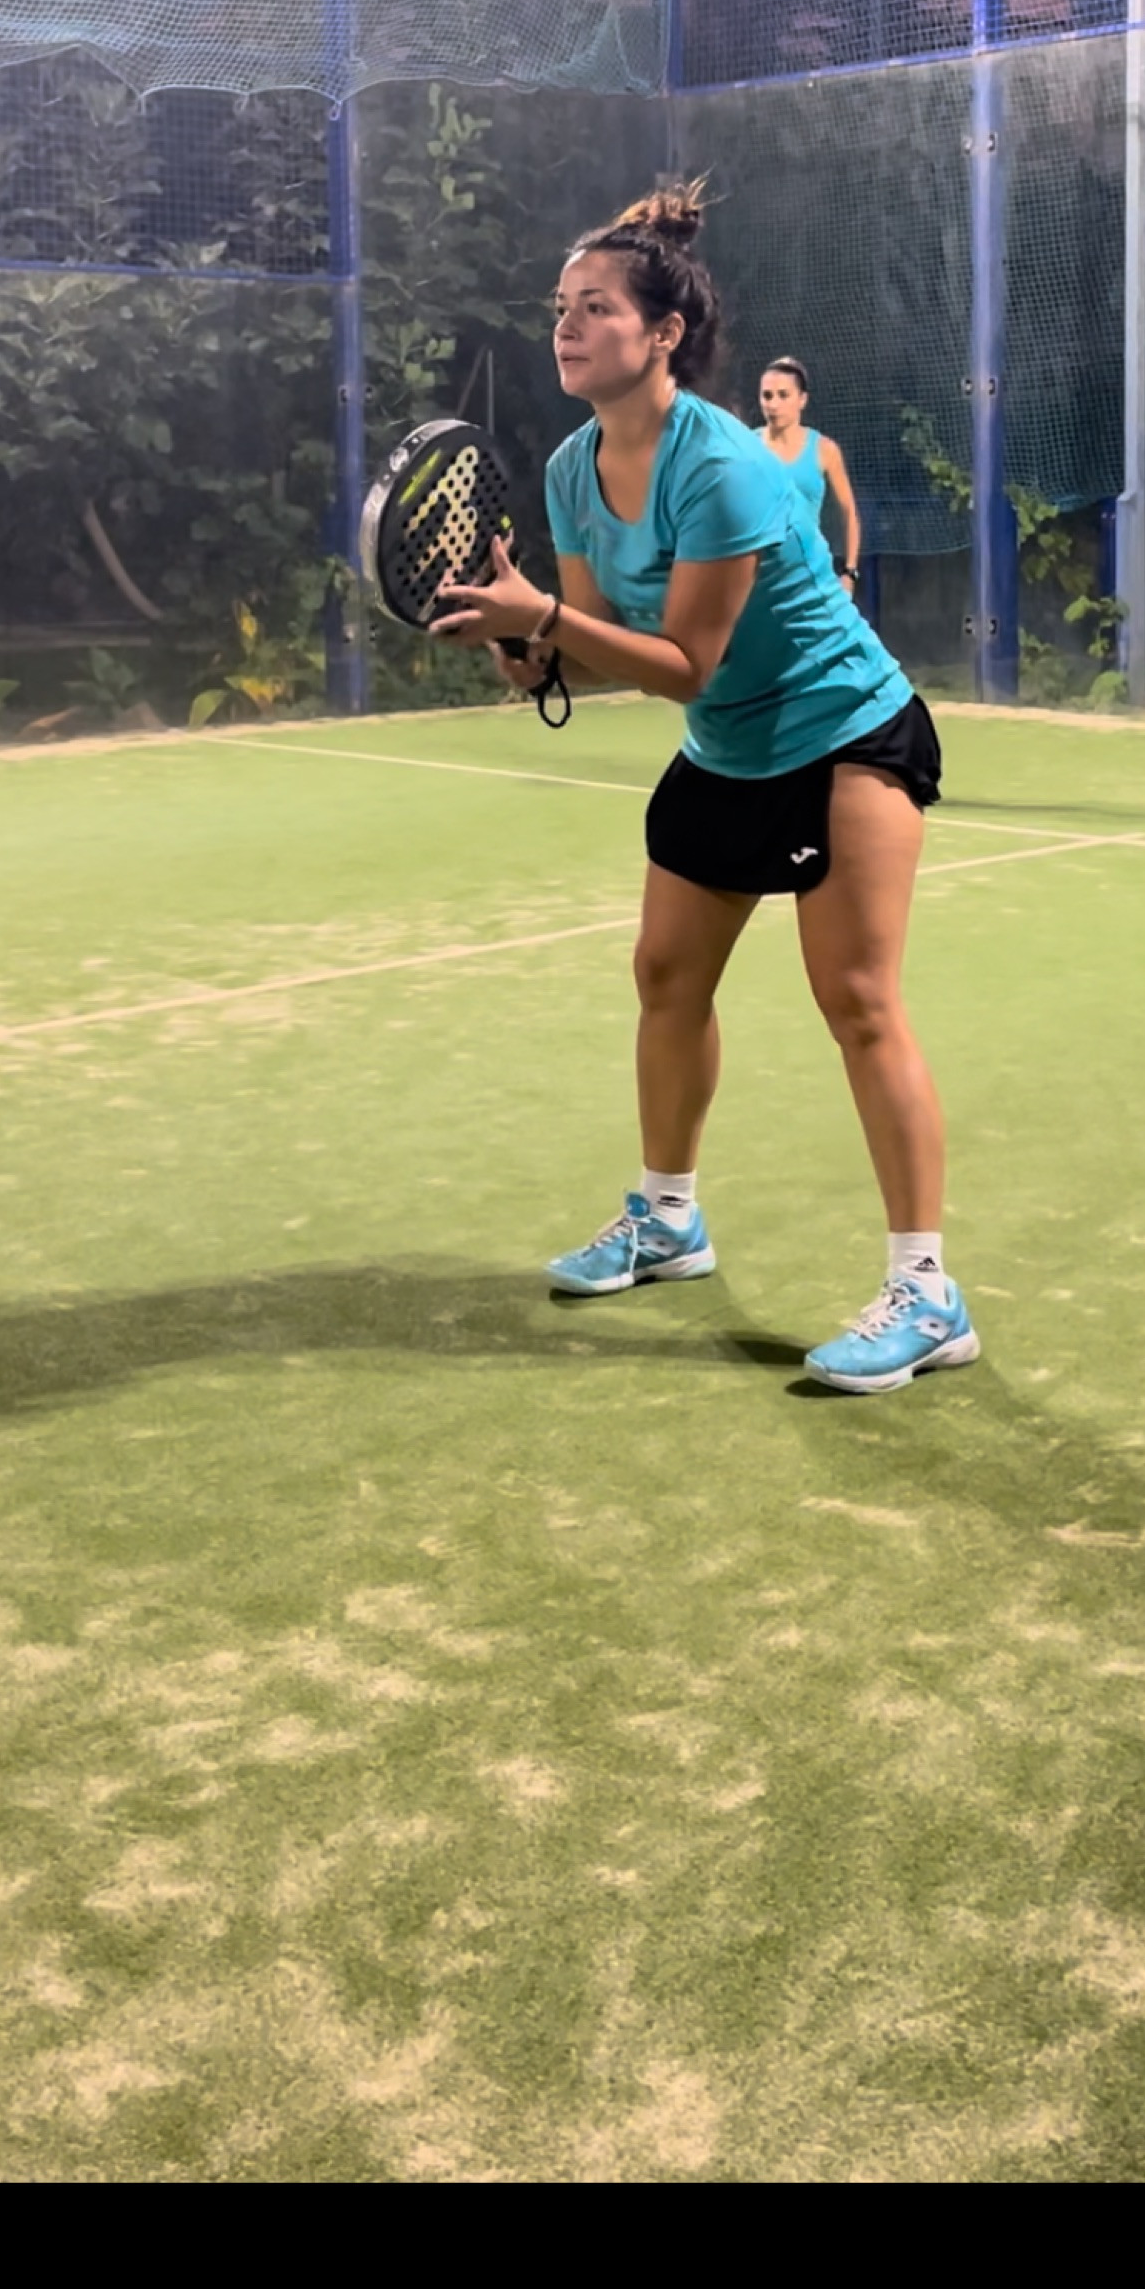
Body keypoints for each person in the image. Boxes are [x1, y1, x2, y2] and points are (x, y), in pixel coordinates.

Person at [430, 185, 976, 1395]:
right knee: (666, 975)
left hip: (842, 730)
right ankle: (668, 1217)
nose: (567, 327)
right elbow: (596, 644)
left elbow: (685, 662)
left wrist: (546, 617)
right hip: (729, 747)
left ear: (664, 332)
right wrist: (524, 644)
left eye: (596, 307)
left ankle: (929, 1291)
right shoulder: (573, 468)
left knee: (858, 998)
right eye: (560, 307)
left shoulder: (723, 463)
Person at [757, 356, 861, 593]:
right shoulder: (747, 447)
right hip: (761, 581)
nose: (773, 404)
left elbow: (849, 511)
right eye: (767, 396)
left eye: (783, 395)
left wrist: (850, 572)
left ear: (802, 399)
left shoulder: (825, 450)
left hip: (812, 577)